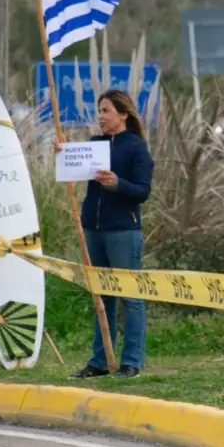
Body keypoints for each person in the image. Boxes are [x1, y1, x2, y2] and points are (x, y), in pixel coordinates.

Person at [69, 90, 155, 380]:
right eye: (99, 111)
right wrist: (63, 154)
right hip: (94, 229)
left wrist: (118, 184)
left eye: (105, 111)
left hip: (123, 230)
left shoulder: (137, 148)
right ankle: (101, 360)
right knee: (101, 297)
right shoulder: (95, 145)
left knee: (130, 296)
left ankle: (132, 361)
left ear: (123, 114)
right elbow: (73, 168)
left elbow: (143, 191)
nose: (100, 117)